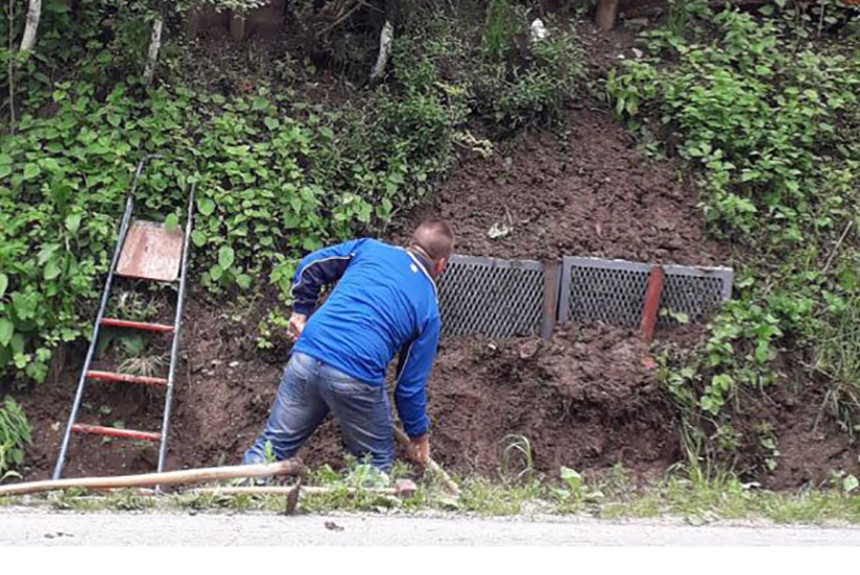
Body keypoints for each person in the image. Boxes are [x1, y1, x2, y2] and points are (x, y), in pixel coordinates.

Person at [242, 219, 455, 476]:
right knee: (374, 462)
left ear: (411, 243)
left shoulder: (370, 249)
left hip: (306, 357)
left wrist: (300, 312)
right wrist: (419, 436)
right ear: (441, 264)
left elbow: (310, 266)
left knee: (272, 447)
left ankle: (242, 489)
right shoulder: (429, 310)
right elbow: (408, 388)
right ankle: (363, 502)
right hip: (355, 375)